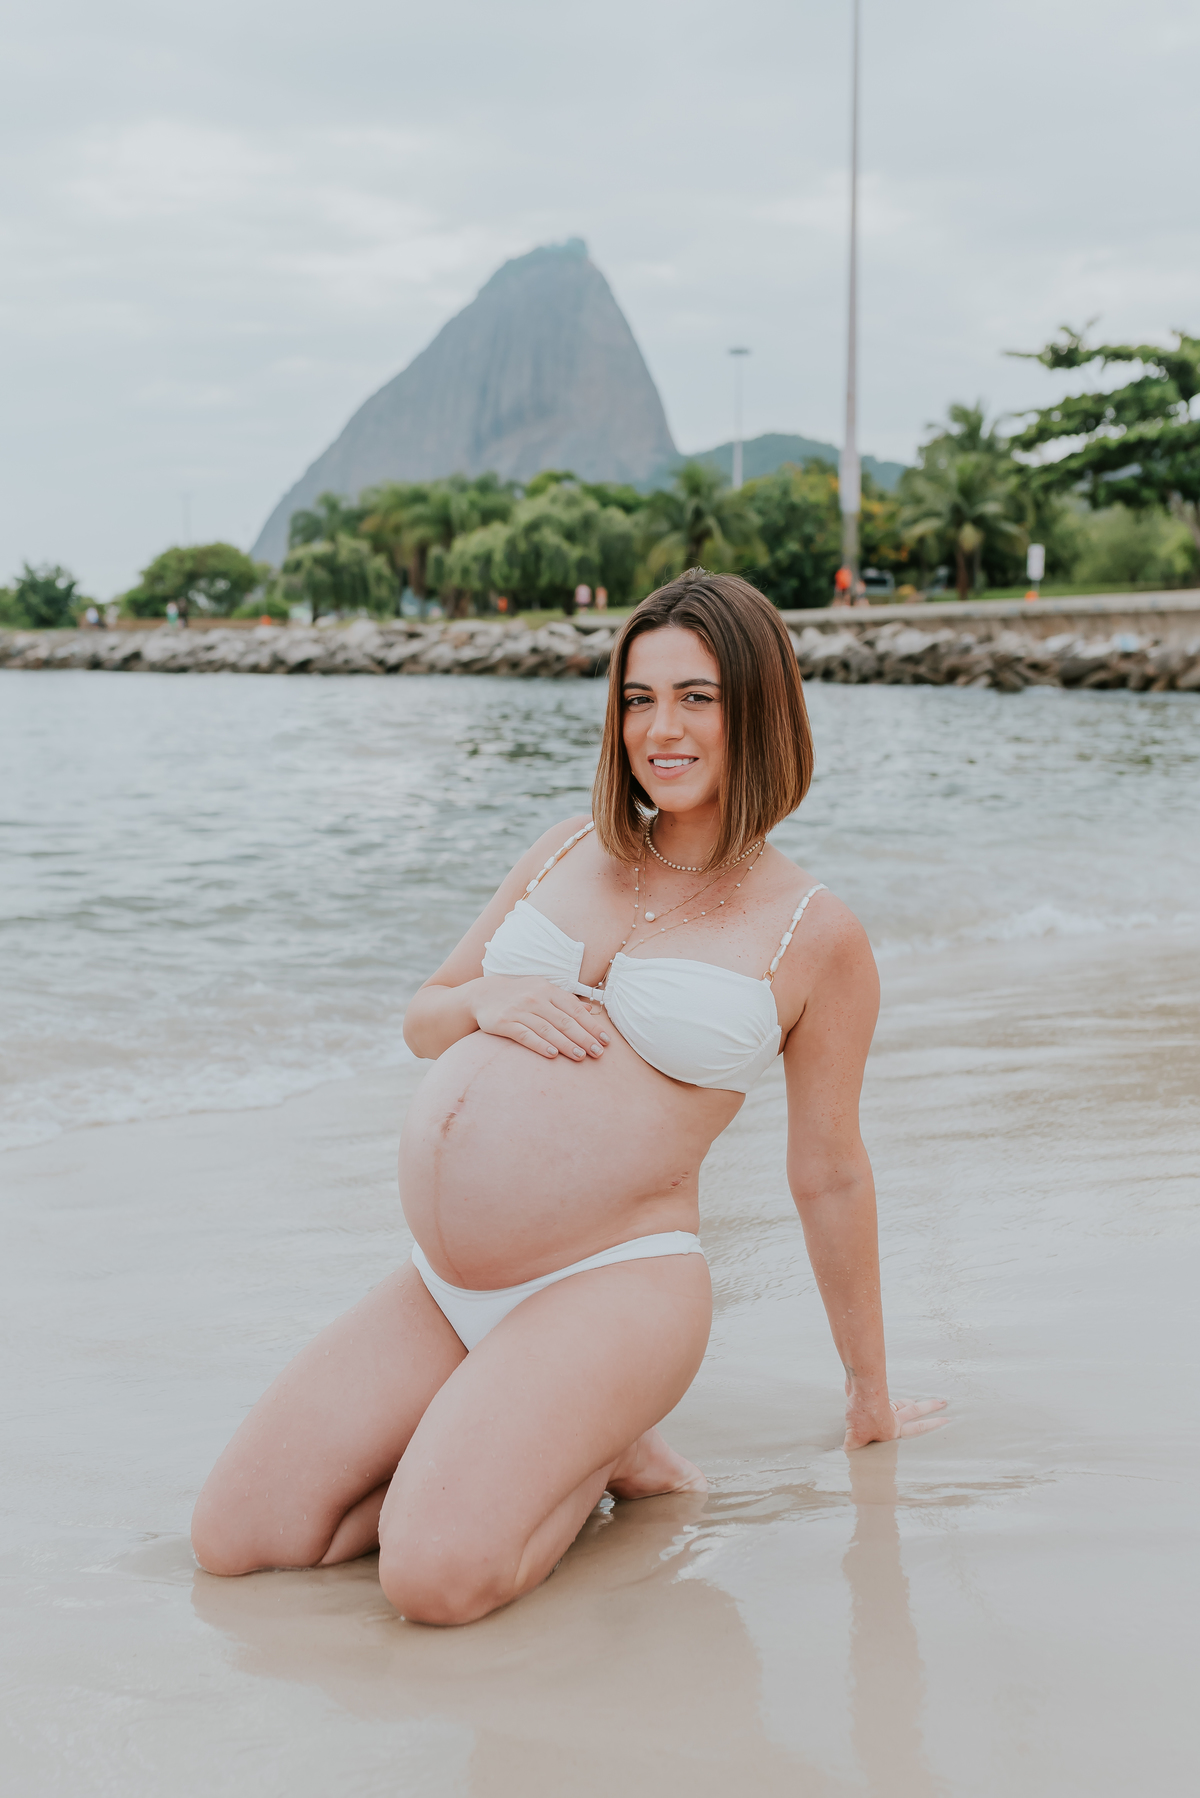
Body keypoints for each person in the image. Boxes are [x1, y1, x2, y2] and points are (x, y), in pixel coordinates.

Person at [191, 570, 945, 1625]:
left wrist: (866, 1391)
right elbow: (425, 1016)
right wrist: (487, 996)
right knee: (239, 1540)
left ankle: (588, 1454)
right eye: (639, 698)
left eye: (697, 697)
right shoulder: (562, 847)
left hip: (617, 1283)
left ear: (759, 710)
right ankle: (550, 1436)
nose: (660, 729)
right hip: (452, 1283)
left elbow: (827, 1171)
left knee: (434, 1579)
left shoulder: (815, 932)